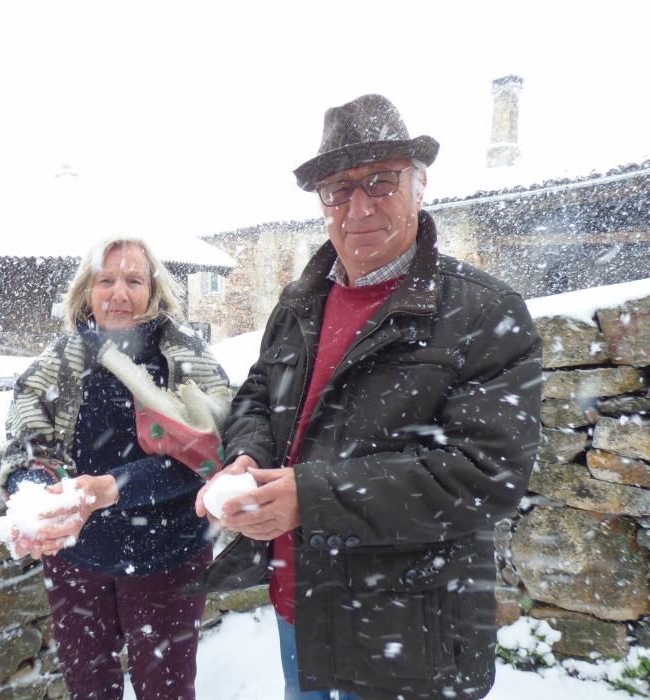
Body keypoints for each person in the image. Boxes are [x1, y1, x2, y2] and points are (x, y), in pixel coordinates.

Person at [194, 94, 542, 700]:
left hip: (407, 630)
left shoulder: (482, 311)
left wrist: (314, 497)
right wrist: (245, 458)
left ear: (420, 184)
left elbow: (487, 474)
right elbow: (257, 393)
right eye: (338, 189)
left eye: (381, 182)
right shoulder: (300, 302)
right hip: (300, 602)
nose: (359, 206)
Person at [0, 237, 229, 700]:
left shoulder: (186, 361)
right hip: (76, 556)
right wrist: (40, 499)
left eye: (133, 280)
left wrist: (112, 487)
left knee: (165, 689)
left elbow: (208, 456)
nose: (118, 294)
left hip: (169, 553)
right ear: (87, 291)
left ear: (154, 292)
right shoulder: (58, 363)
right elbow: (26, 445)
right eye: (106, 280)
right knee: (88, 687)